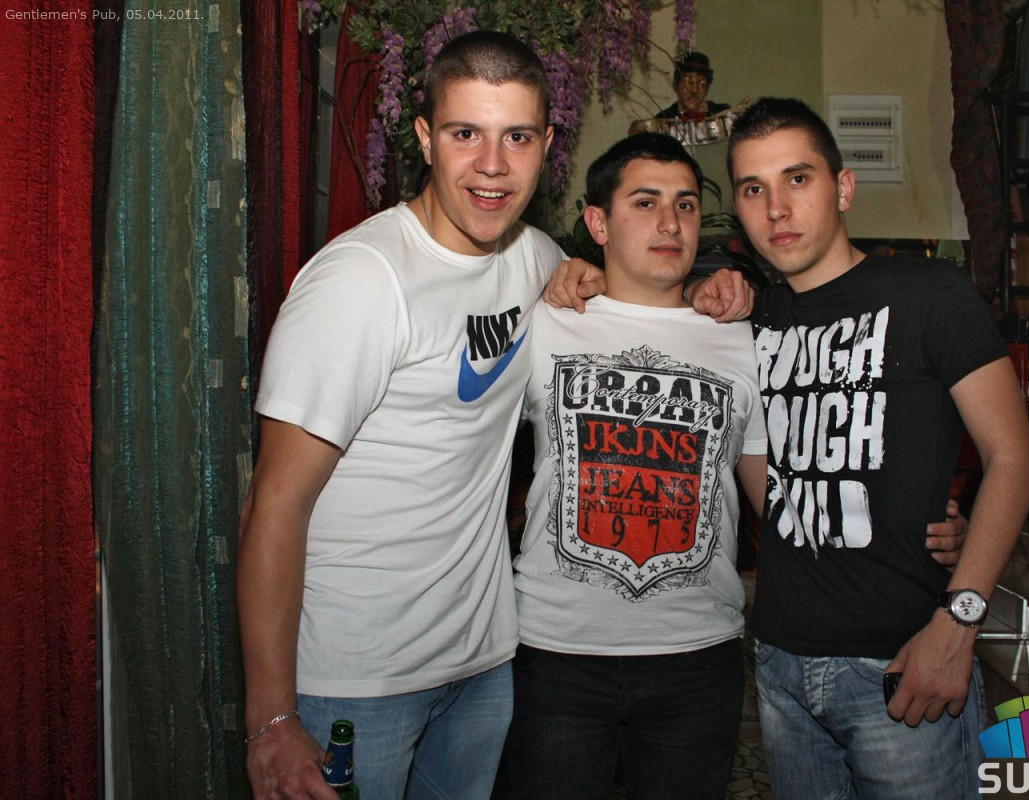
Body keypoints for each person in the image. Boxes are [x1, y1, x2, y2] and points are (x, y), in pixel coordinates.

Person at [237, 30, 753, 800]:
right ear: (424, 139)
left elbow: (620, 300)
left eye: (516, 137)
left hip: (483, 666)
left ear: (546, 144)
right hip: (358, 675)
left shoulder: (535, 259)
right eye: (464, 134)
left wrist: (718, 289)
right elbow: (275, 502)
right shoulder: (361, 282)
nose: (492, 164)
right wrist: (272, 718)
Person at [726, 97, 1029, 799]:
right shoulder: (748, 318)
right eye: (753, 188)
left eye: (798, 178)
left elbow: (1013, 459)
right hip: (780, 661)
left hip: (903, 660)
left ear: (842, 188)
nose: (777, 208)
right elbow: (773, 484)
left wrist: (957, 626)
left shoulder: (929, 294)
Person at [502, 132, 767, 800]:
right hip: (557, 653)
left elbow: (776, 494)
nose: (670, 223)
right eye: (645, 203)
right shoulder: (543, 321)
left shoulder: (740, 336)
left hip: (697, 657)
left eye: (685, 204)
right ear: (598, 223)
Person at [656, 52, 730, 123]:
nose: (694, 90)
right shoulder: (662, 120)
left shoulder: (723, 114)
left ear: (707, 88)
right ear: (675, 85)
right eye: (688, 82)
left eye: (702, 83)